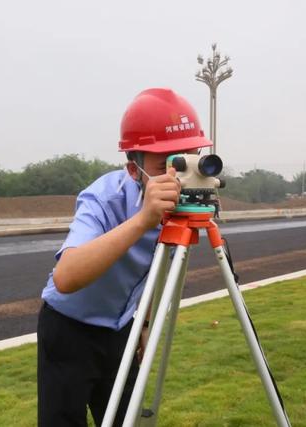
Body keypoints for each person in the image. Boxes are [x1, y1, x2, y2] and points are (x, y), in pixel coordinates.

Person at [37, 88, 213, 426]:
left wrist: (144, 322)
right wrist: (143, 220)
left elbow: (151, 270)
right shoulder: (102, 198)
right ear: (134, 169)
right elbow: (66, 276)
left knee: (125, 420)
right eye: (167, 165)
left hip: (122, 330)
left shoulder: (180, 207)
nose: (179, 178)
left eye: (188, 160)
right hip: (69, 330)